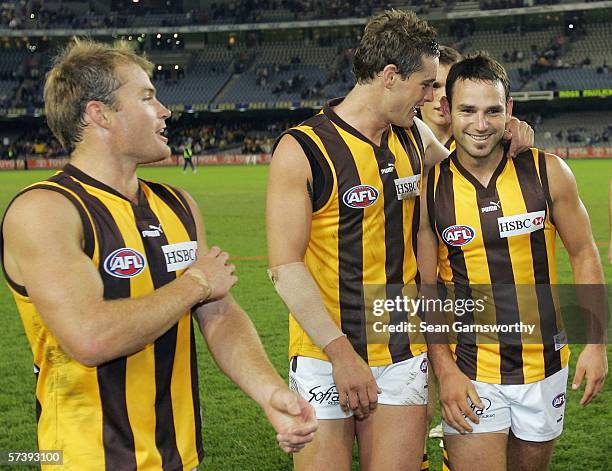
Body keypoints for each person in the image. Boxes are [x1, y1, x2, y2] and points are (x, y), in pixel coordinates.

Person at [0, 39, 317, 470]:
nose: (166, 110)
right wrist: (195, 284)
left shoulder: (177, 204)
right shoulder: (46, 210)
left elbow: (219, 314)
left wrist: (269, 392)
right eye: (148, 97)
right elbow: (89, 338)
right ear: (100, 114)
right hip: (90, 461)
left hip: (180, 456)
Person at [266, 10, 533, 471]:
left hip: (401, 350)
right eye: (426, 85)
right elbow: (284, 267)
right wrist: (340, 352)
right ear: (390, 76)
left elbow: (462, 169)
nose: (434, 99)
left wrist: (508, 131)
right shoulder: (303, 149)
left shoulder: (411, 134)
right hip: (325, 353)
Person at [418, 53, 608, 471]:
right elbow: (426, 288)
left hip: (545, 366)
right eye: (467, 110)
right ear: (447, 111)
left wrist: (595, 341)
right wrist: (445, 370)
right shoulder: (429, 188)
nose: (480, 124)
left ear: (510, 112)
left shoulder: (549, 172)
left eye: (492, 111)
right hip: (471, 367)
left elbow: (583, 252)